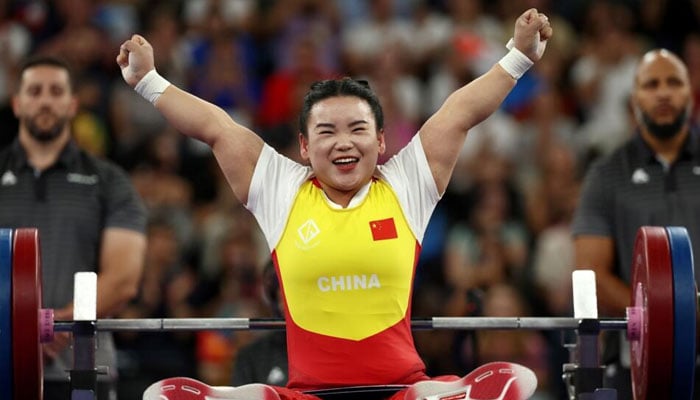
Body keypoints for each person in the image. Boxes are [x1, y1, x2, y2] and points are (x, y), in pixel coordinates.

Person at [120, 7, 552, 400]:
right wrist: (148, 81)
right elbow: (215, 126)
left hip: (400, 391)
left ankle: (443, 394)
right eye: (327, 132)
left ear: (381, 140)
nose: (344, 142)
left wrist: (519, 57)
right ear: (305, 147)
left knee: (483, 386)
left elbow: (459, 112)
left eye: (357, 129)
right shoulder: (280, 189)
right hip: (309, 396)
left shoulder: (406, 184)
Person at [0, 56, 147, 399]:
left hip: (82, 369)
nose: (46, 100)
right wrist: (20, 335)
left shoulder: (110, 182)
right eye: (35, 91)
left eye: (56, 91)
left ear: (72, 104)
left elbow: (124, 279)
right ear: (17, 104)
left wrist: (56, 326)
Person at [571, 48, 700, 399]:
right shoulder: (606, 174)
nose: (663, 92)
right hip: (635, 364)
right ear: (634, 98)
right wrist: (670, 319)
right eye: (651, 84)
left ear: (690, 92)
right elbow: (590, 276)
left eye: (674, 82)